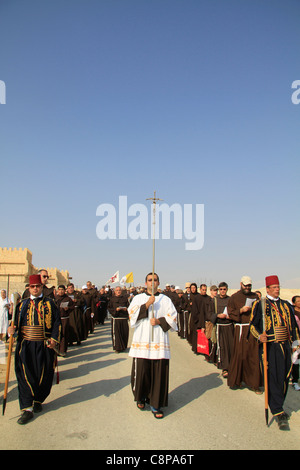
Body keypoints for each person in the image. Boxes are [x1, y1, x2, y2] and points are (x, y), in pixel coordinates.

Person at [7, 274, 61, 425]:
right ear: (29, 288)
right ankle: (26, 409)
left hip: (44, 344)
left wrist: (54, 340)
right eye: (32, 286)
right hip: (26, 345)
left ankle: (38, 400)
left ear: (42, 287)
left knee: (43, 375)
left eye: (38, 286)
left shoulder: (50, 304)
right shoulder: (21, 305)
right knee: (25, 375)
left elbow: (57, 323)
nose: (35, 289)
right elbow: (16, 325)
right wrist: (11, 330)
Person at [250, 275, 300, 430]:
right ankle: (278, 410)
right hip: (271, 347)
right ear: (268, 289)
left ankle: (279, 404)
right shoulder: (260, 304)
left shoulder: (286, 305)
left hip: (286, 346)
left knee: (285, 376)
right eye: (274, 287)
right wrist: (260, 336)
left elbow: (293, 327)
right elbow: (252, 326)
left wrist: (296, 344)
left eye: (278, 287)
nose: (277, 289)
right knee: (274, 378)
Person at [128, 272, 177, 419]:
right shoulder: (138, 298)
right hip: (142, 340)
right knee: (142, 371)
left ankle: (156, 403)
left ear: (159, 283)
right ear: (145, 283)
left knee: (158, 373)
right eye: (150, 280)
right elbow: (132, 317)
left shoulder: (166, 300)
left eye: (155, 280)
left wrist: (160, 321)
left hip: (158, 341)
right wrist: (147, 304)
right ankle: (141, 397)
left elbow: (173, 318)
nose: (152, 282)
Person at [226, 276, 261, 393]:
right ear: (241, 284)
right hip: (240, 329)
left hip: (252, 330)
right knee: (240, 355)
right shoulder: (234, 297)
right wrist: (240, 311)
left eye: (249, 285)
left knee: (253, 356)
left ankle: (254, 384)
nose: (247, 287)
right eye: (245, 285)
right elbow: (230, 313)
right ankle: (237, 380)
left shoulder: (255, 296)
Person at [208, 282, 233, 377]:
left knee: (231, 347)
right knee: (222, 348)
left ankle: (231, 367)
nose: (222, 291)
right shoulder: (214, 300)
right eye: (221, 289)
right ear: (219, 290)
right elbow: (209, 314)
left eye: (224, 289)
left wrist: (230, 317)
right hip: (220, 327)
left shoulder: (230, 300)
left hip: (229, 326)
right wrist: (218, 315)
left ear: (227, 289)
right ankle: (224, 368)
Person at [108, 286, 129, 353]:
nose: (118, 291)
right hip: (116, 318)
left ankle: (124, 346)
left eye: (119, 290)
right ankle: (117, 348)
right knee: (117, 334)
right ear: (115, 291)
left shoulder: (125, 299)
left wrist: (126, 309)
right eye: (117, 290)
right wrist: (115, 310)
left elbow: (129, 306)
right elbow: (109, 308)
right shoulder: (112, 299)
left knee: (124, 333)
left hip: (123, 318)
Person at [55, 285, 74, 356]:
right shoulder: (55, 298)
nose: (60, 291)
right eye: (59, 289)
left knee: (64, 334)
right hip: (56, 319)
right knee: (57, 334)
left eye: (62, 290)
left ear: (64, 290)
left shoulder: (67, 299)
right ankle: (56, 349)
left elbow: (72, 307)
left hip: (64, 319)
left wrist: (68, 308)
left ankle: (63, 350)